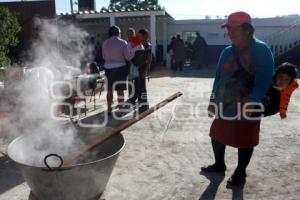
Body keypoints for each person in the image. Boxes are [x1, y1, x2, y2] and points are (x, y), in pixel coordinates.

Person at [201, 11, 275, 188]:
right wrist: (212, 99)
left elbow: (264, 78)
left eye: (233, 29)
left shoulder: (261, 50)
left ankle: (240, 172)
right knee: (217, 135)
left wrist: (253, 101)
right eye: (228, 29)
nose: (230, 32)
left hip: (248, 103)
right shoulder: (226, 52)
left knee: (245, 139)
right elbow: (218, 76)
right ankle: (220, 165)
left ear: (247, 30)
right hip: (225, 102)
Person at [102, 26, 136, 115]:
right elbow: (128, 57)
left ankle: (109, 109)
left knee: (109, 90)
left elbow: (104, 56)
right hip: (120, 69)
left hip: (108, 69)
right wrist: (133, 52)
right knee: (120, 91)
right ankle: (120, 111)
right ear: (118, 33)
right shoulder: (123, 42)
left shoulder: (105, 43)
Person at [126, 29, 152, 113]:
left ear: (145, 36)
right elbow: (129, 47)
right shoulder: (136, 41)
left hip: (142, 70)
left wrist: (145, 72)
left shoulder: (148, 45)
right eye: (137, 35)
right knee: (136, 88)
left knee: (142, 89)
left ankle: (144, 106)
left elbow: (149, 60)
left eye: (139, 35)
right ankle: (136, 102)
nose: (137, 37)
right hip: (136, 69)